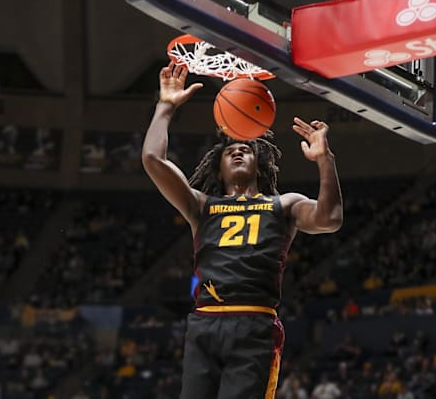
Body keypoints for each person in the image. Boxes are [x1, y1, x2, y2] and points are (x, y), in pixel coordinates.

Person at [142, 61, 343, 399]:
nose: (237, 149)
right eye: (229, 149)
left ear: (259, 164)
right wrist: (166, 106)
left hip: (255, 326)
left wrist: (326, 161)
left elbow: (330, 218)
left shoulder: (285, 205)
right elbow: (152, 159)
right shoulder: (201, 205)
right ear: (217, 168)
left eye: (247, 148)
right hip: (204, 322)